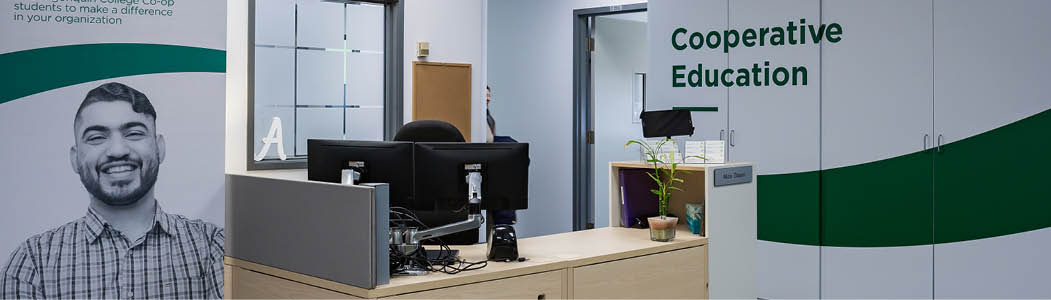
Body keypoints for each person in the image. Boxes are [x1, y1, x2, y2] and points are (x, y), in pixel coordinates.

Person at [0, 82, 224, 299]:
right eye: (97, 137)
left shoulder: (213, 246)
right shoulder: (32, 263)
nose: (117, 150)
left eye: (134, 133)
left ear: (159, 148)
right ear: (75, 159)